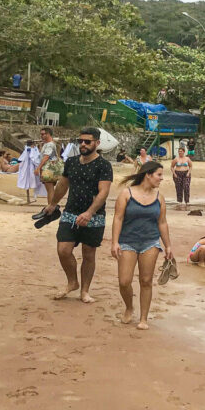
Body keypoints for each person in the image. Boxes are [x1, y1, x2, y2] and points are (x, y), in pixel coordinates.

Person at [41, 127, 114, 303]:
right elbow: (63, 185)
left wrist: (90, 212)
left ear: (97, 143)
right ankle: (72, 282)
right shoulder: (71, 162)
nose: (83, 144)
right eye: (80, 141)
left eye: (87, 141)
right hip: (70, 213)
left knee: (89, 254)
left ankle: (85, 291)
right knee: (63, 250)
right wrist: (52, 204)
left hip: (94, 216)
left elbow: (103, 192)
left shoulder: (104, 166)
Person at [109, 161, 173, 330]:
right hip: (127, 241)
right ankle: (129, 307)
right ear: (148, 174)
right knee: (124, 281)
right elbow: (118, 218)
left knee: (146, 280)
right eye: (159, 174)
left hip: (150, 242)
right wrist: (114, 242)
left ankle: (143, 318)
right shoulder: (126, 194)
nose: (161, 178)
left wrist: (168, 246)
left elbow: (162, 223)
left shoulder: (159, 197)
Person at [35, 128, 62, 204]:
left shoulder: (50, 145)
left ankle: (50, 206)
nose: (42, 136)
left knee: (50, 189)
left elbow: (46, 157)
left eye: (43, 134)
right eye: (41, 134)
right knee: (50, 189)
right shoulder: (47, 144)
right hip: (49, 169)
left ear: (48, 134)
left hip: (48, 169)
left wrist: (38, 167)